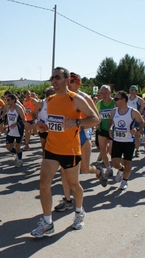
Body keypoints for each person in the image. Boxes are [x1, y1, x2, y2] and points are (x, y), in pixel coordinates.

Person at [30, 67, 99, 238]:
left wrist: (77, 121)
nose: (54, 81)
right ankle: (47, 223)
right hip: (52, 148)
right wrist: (44, 127)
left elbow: (95, 119)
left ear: (67, 80)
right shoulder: (50, 100)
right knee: (44, 184)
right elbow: (54, 124)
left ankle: (79, 212)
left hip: (70, 150)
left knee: (74, 185)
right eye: (52, 77)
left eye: (58, 77)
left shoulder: (75, 99)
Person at [53, 72, 102, 212]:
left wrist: (78, 123)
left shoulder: (84, 98)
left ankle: (98, 170)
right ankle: (67, 200)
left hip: (83, 136)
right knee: (64, 171)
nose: (69, 83)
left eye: (73, 81)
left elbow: (96, 119)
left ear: (78, 83)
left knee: (85, 169)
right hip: (66, 138)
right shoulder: (62, 97)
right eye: (68, 81)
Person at [109, 91, 144, 190]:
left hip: (129, 141)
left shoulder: (132, 112)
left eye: (116, 99)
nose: (114, 101)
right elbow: (111, 121)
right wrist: (111, 127)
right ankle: (121, 169)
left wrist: (137, 130)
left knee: (127, 162)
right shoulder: (113, 111)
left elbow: (141, 123)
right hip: (117, 140)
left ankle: (124, 181)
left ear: (123, 100)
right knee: (115, 162)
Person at [96, 85, 115, 183]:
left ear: (110, 92)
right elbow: (96, 115)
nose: (104, 95)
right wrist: (97, 123)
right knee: (102, 150)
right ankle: (108, 167)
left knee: (111, 151)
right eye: (102, 93)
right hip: (102, 129)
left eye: (106, 93)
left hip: (113, 130)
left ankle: (116, 165)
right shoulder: (99, 103)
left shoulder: (115, 102)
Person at [5, 94, 26, 167]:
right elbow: (8, 117)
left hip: (18, 130)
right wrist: (6, 125)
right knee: (8, 147)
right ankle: (18, 153)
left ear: (13, 100)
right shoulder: (8, 108)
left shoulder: (19, 108)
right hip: (10, 130)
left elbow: (24, 119)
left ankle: (20, 160)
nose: (7, 101)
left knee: (17, 146)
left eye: (8, 100)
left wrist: (16, 124)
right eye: (6, 100)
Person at [33, 86, 55, 157]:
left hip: (52, 128)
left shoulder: (57, 103)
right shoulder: (41, 103)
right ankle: (44, 160)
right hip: (42, 127)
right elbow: (34, 114)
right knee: (43, 146)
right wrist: (37, 122)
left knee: (51, 147)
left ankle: (49, 162)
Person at [127, 85, 145, 157]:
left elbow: (143, 108)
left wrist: (138, 115)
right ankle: (128, 149)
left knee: (136, 135)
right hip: (128, 118)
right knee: (128, 134)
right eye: (131, 90)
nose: (132, 91)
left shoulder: (139, 100)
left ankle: (137, 149)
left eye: (133, 90)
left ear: (136, 91)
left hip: (136, 119)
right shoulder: (126, 98)